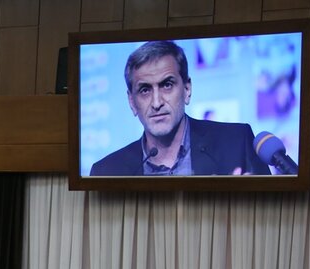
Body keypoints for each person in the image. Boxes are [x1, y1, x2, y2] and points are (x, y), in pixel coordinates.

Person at [90, 40, 270, 177]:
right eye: (145, 90)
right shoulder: (106, 171)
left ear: (187, 89)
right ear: (131, 102)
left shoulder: (237, 144)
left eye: (167, 85)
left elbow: (269, 211)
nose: (156, 103)